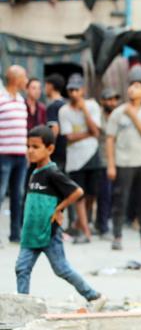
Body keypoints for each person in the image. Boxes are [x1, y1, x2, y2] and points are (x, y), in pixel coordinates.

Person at [15, 125, 105, 310]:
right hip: (31, 233)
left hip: (49, 232)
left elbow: (77, 191)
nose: (30, 151)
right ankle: (22, 306)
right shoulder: (34, 172)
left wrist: (59, 209)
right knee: (22, 268)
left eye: (35, 147)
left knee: (61, 269)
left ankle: (93, 296)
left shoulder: (52, 173)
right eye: (28, 146)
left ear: (49, 149)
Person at [106, 66, 141, 251]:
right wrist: (111, 164)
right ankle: (117, 237)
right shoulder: (117, 113)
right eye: (130, 86)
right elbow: (110, 139)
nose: (131, 89)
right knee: (120, 200)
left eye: (136, 87)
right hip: (123, 162)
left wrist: (133, 115)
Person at [59, 74, 103, 244]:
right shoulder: (64, 111)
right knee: (79, 196)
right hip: (75, 160)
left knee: (92, 194)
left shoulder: (92, 106)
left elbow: (97, 131)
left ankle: (81, 223)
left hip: (92, 155)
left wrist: (84, 110)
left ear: (82, 90)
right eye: (71, 90)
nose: (74, 93)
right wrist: (89, 134)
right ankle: (86, 231)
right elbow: (69, 137)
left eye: (77, 89)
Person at [1, 65, 29, 244]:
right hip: (3, 154)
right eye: (24, 77)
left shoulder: (20, 100)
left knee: (18, 195)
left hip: (20, 155)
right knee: (0, 194)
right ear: (14, 79)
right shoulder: (1, 98)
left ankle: (15, 234)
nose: (26, 81)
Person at [95, 88, 120, 237]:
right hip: (101, 159)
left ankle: (104, 223)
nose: (112, 103)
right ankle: (102, 225)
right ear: (102, 101)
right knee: (104, 193)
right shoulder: (98, 115)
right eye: (109, 99)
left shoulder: (118, 116)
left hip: (117, 159)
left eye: (114, 100)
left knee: (113, 194)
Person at [44, 73, 68, 172]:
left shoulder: (53, 106)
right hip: (66, 148)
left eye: (46, 85)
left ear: (50, 86)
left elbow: (54, 128)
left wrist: (49, 148)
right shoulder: (66, 104)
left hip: (57, 150)